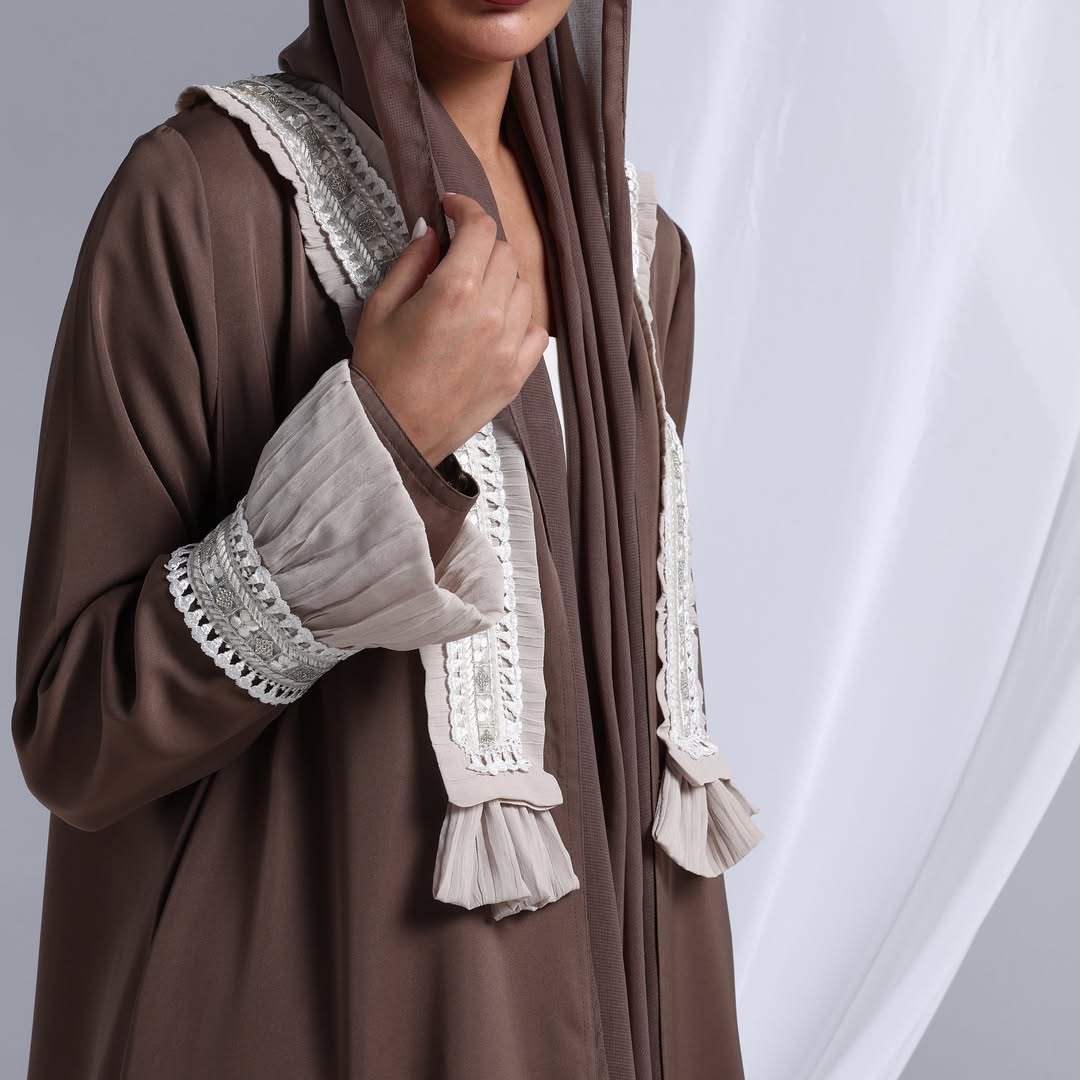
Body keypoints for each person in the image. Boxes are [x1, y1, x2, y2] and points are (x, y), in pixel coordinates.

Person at [10, 0, 763, 1076]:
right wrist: (379, 443)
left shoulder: (641, 262)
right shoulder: (202, 203)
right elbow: (75, 735)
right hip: (310, 1016)